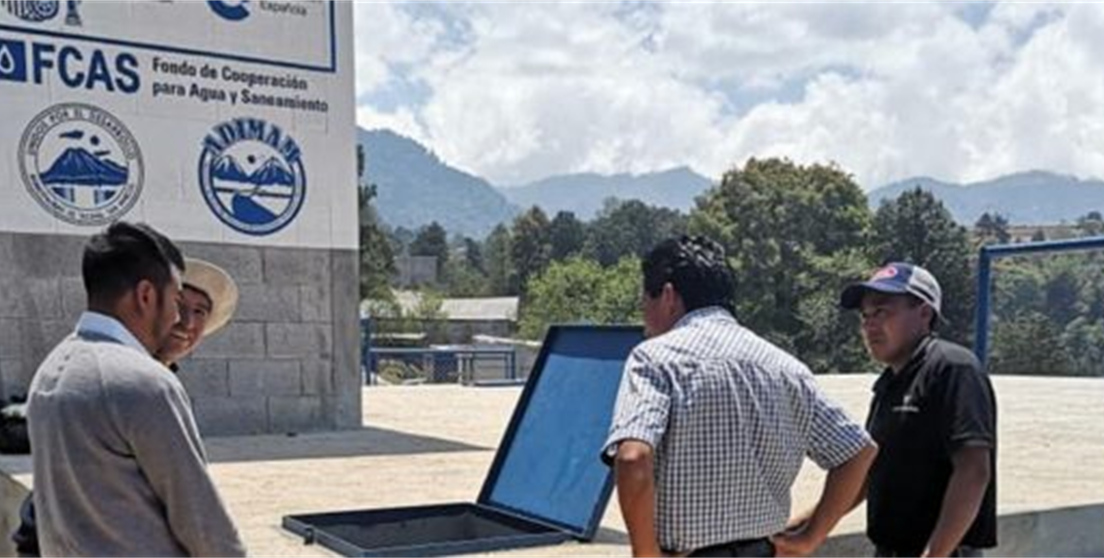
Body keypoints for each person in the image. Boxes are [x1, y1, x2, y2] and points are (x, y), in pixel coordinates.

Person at [603, 235, 878, 558]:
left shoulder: (654, 359)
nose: (644, 321)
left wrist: (646, 554)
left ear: (667, 295)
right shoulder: (786, 368)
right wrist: (810, 538)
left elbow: (633, 457)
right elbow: (859, 453)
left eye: (644, 303)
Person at [25, 222, 245, 557]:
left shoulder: (50, 370)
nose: (178, 318)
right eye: (175, 300)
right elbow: (203, 525)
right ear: (145, 295)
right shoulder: (143, 383)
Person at [836, 263, 997, 558]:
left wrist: (935, 553)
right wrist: (809, 525)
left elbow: (973, 470)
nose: (870, 325)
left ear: (924, 313)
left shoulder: (952, 368)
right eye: (865, 316)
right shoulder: (889, 384)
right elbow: (869, 473)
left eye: (882, 312)